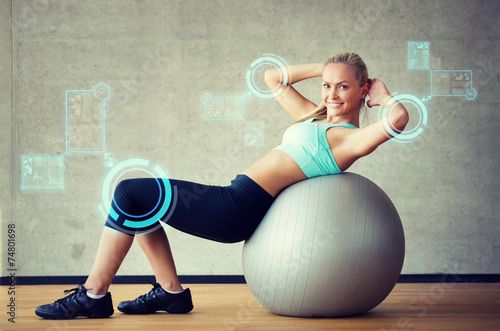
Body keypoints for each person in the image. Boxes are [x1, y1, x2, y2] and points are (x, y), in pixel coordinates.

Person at [35, 52, 409, 319]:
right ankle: (170, 294)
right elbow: (272, 78)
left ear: (362, 91)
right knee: (137, 205)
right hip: (235, 196)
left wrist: (385, 95)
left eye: (343, 87)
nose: (330, 94)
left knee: (130, 193)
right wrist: (325, 67)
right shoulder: (314, 117)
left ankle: (93, 295)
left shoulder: (348, 139)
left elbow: (399, 118)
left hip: (238, 207)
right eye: (327, 85)